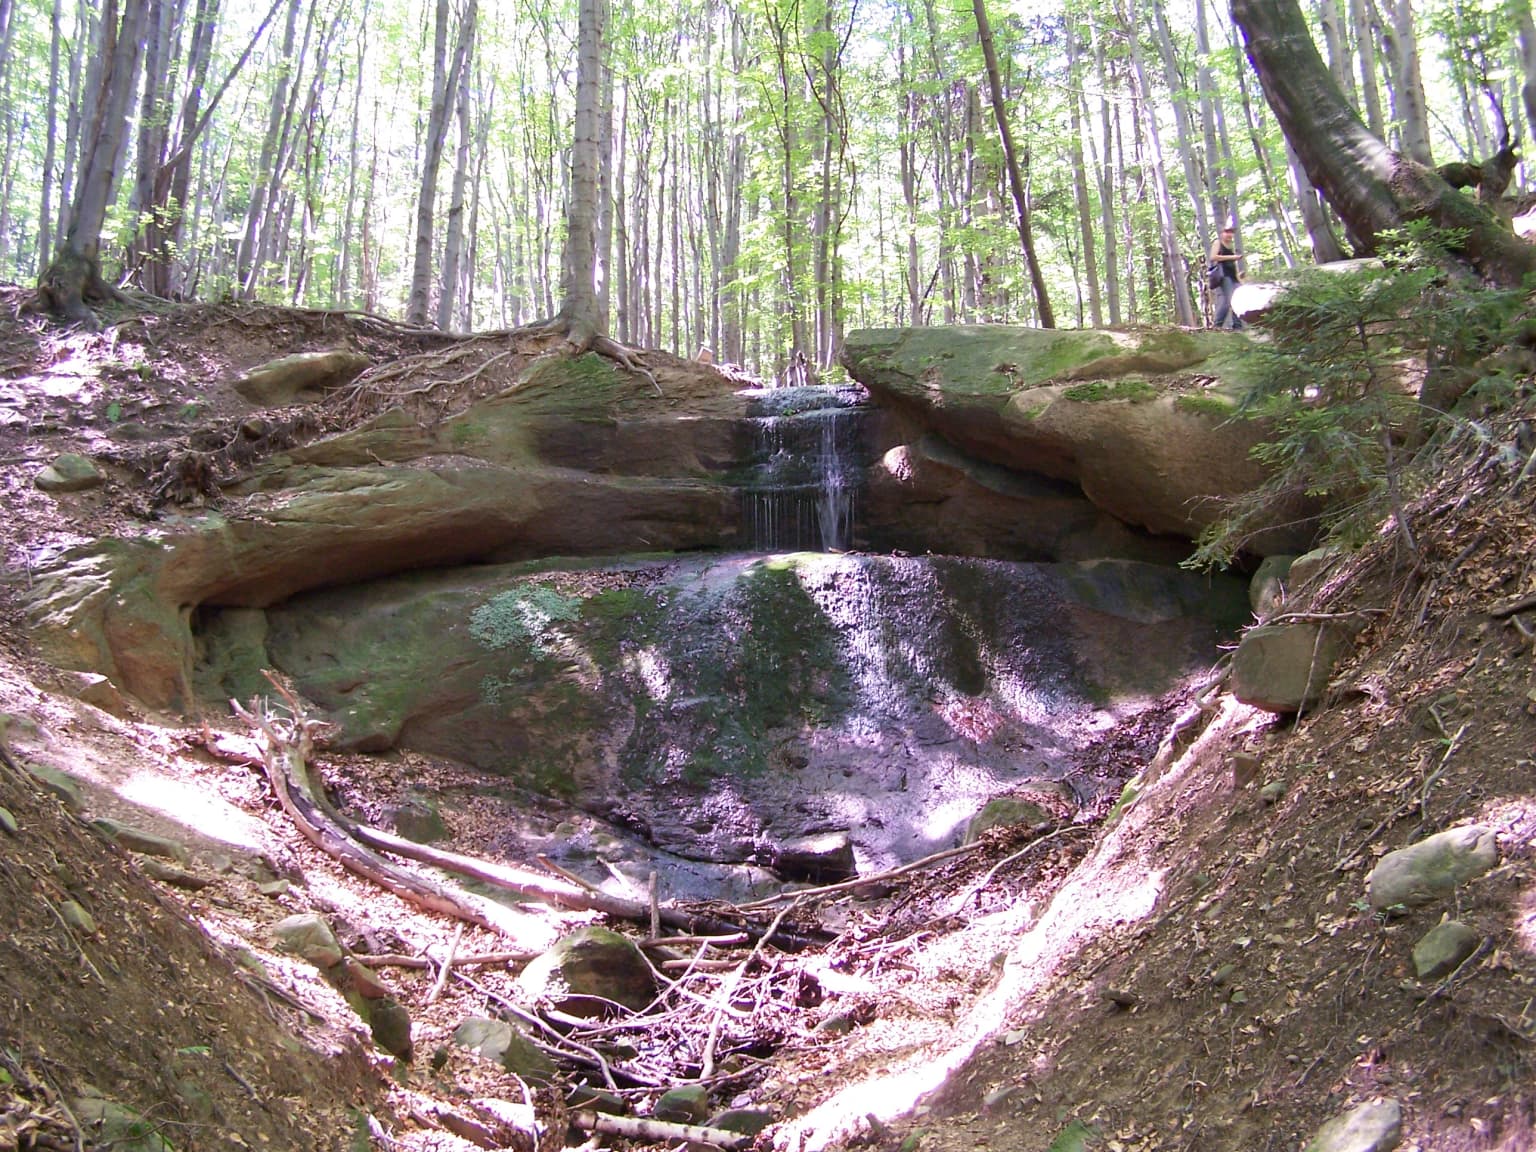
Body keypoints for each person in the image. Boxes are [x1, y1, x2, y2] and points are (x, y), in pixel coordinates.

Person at [1208, 225, 1244, 330]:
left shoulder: (1230, 246)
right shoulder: (1218, 243)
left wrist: (1239, 277)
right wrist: (1233, 257)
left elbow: (1232, 265)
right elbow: (1213, 257)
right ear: (1222, 233)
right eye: (1227, 232)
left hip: (1233, 276)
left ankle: (1237, 326)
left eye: (1231, 232)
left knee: (1237, 300)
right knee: (1229, 301)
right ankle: (1217, 325)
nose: (1229, 234)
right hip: (1224, 276)